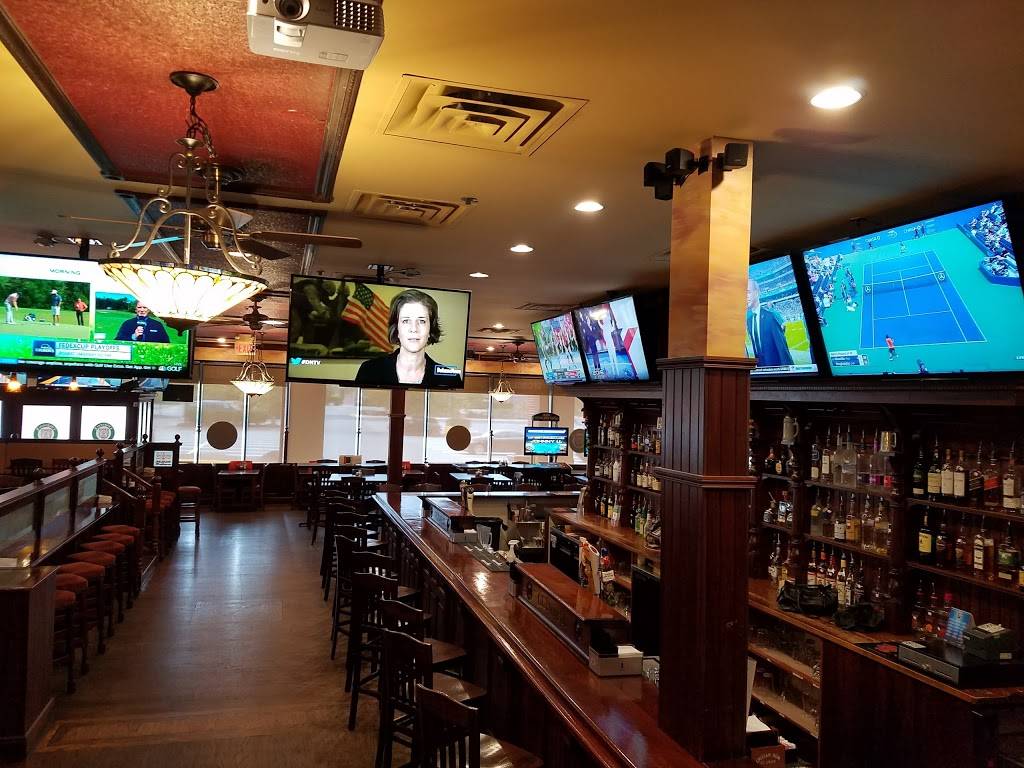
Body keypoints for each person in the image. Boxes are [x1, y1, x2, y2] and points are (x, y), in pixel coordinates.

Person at [354, 289, 463, 387]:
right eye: (406, 321)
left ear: (430, 329)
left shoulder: (450, 378)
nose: (414, 329)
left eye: (422, 321)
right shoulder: (369, 371)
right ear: (396, 329)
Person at [746, 278, 793, 368]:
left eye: (748, 292)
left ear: (757, 293)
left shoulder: (770, 316)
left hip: (776, 369)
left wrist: (789, 371)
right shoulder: (749, 321)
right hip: (761, 369)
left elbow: (782, 349)